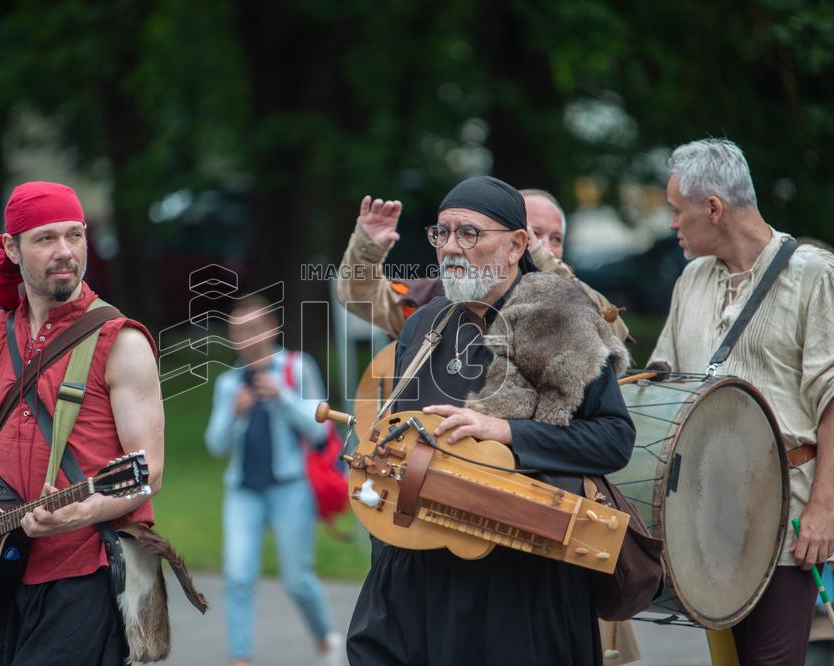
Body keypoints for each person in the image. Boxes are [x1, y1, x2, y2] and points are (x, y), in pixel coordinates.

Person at [346, 175, 636, 665]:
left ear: (516, 245)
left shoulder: (561, 318)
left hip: (518, 584)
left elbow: (614, 438)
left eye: (469, 233)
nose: (451, 247)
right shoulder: (424, 324)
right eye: (443, 233)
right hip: (419, 573)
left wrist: (506, 431)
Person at [0, 181, 164, 666]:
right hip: (1, 578)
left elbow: (147, 472)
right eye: (46, 239)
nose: (65, 251)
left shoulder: (121, 343)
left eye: (75, 235)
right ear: (11, 247)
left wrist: (81, 513)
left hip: (84, 578)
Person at [648, 138, 834, 665]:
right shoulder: (691, 279)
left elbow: (832, 400)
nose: (671, 224)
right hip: (704, 521)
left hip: (784, 518)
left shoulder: (814, 274)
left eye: (676, 211)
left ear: (713, 208)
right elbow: (664, 387)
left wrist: (824, 508)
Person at [205, 296, 343, 666]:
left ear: (271, 328)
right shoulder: (229, 382)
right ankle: (240, 658)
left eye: (254, 330)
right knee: (237, 575)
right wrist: (234, 413)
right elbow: (215, 445)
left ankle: (326, 639)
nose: (247, 339)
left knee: (298, 579)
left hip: (290, 487)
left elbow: (321, 430)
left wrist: (281, 398)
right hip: (242, 491)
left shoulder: (297, 368)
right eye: (239, 333)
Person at [334, 188, 629, 341]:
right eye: (535, 235)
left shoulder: (574, 297)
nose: (543, 248)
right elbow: (361, 298)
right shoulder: (439, 296)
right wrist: (367, 249)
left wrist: (547, 265)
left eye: (556, 238)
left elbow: (611, 336)